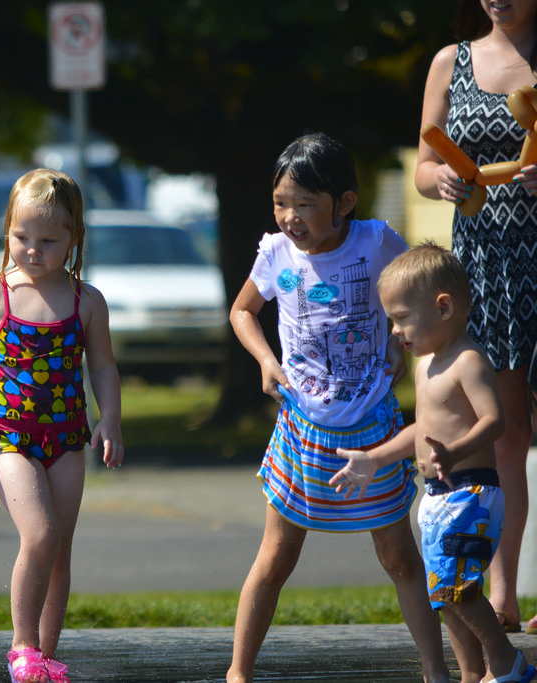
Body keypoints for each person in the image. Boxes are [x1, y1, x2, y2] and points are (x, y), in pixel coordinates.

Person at [226, 133, 449, 683]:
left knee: (399, 557)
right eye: (281, 202)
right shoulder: (275, 253)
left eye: (305, 203)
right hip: (302, 428)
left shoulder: (375, 243)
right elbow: (242, 312)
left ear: (344, 202)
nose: (290, 216)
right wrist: (264, 361)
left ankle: (434, 669)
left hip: (372, 426)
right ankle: (237, 673)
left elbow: (421, 292)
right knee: (275, 558)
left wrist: (403, 342)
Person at [0, 168, 124, 683]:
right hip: (8, 438)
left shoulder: (86, 301)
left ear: (74, 239)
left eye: (49, 240)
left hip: (67, 437)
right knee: (40, 535)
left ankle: (45, 656)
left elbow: (103, 366)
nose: (34, 250)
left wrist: (109, 417)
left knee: (59, 550)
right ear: (7, 233)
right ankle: (21, 645)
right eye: (23, 238)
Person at [331, 243, 535, 683]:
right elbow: (419, 431)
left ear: (443, 308)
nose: (395, 330)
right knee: (443, 595)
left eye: (402, 318)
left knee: (457, 589)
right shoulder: (425, 366)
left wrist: (455, 451)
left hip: (471, 494)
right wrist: (372, 458)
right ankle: (470, 673)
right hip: (439, 496)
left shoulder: (468, 361)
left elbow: (495, 421)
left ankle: (505, 661)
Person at [414, 0, 537, 634]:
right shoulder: (450, 61)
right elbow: (423, 165)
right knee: (508, 429)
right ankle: (504, 593)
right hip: (486, 264)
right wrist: (441, 181)